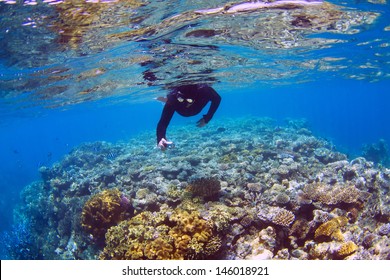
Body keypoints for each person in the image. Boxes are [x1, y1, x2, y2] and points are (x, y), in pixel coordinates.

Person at [156, 84, 221, 150]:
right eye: (182, 99)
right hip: (177, 101)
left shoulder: (204, 91)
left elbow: (217, 99)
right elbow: (163, 122)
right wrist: (161, 138)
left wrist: (208, 118)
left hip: (195, 101)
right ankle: (165, 99)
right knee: (171, 100)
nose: (185, 104)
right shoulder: (173, 99)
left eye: (189, 101)